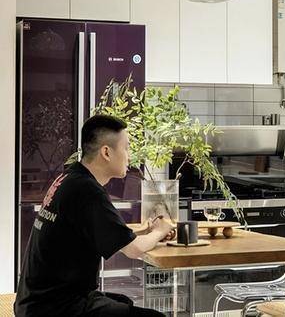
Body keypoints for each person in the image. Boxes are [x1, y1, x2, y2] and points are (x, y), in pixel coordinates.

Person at [15, 115, 175, 317]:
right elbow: (133, 250)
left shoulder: (70, 177)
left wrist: (146, 231)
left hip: (35, 302)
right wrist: (161, 230)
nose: (130, 156)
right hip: (57, 307)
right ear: (106, 152)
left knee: (123, 301)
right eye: (126, 148)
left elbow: (104, 233)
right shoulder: (87, 190)